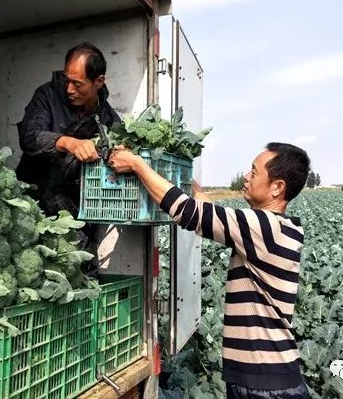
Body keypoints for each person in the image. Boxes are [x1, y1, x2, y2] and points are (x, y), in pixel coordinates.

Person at [108, 142, 311, 399]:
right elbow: (206, 207)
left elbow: (187, 211)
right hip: (262, 378)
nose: (246, 176)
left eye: (254, 171)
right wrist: (181, 172)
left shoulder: (265, 228)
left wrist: (137, 164)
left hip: (266, 385)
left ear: (277, 187)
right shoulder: (274, 228)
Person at [16, 42, 121, 276]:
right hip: (32, 203)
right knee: (29, 272)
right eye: (67, 79)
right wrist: (68, 143)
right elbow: (29, 137)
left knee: (79, 275)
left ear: (99, 82)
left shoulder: (108, 118)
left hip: (74, 212)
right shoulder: (47, 96)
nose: (69, 89)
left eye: (78, 83)